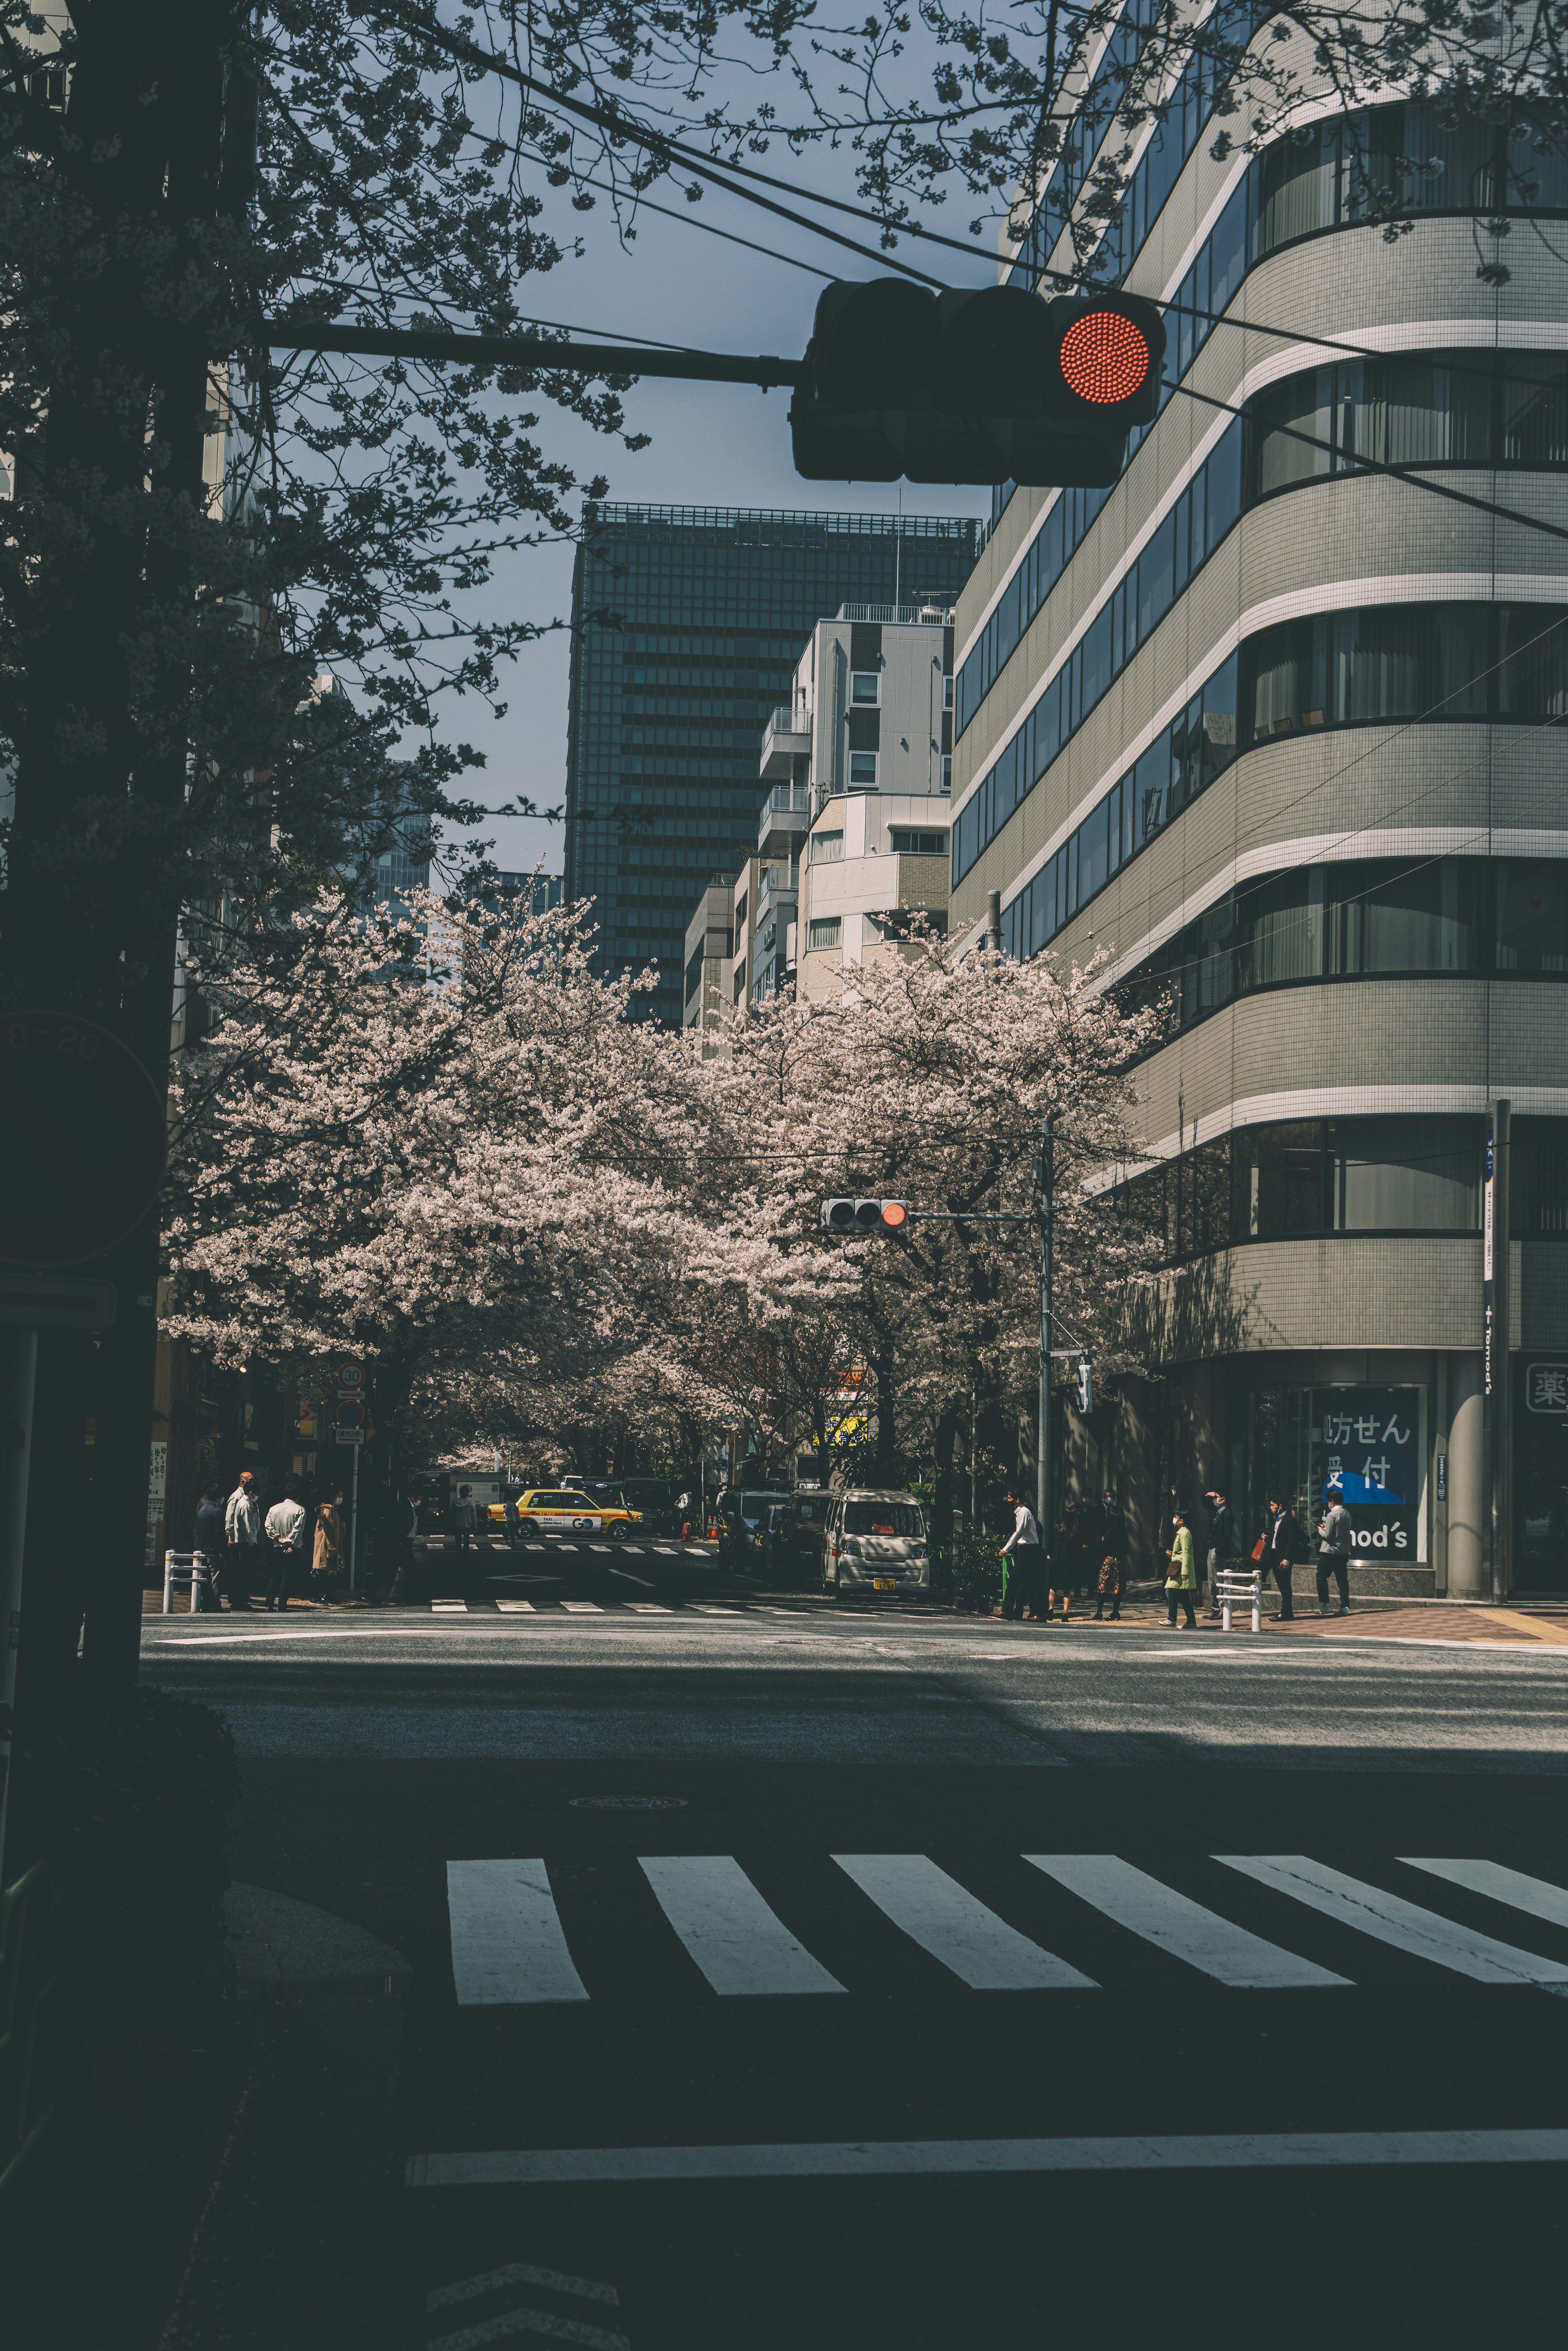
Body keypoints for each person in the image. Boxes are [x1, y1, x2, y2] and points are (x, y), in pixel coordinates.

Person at [1257, 1493, 1304, 1620]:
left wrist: (1287, 1559)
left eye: (1273, 1505)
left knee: (1285, 1585)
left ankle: (1287, 1613)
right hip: (1276, 1556)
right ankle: (1286, 1612)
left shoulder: (1289, 1520)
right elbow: (1280, 1536)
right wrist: (1269, 1536)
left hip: (1283, 1558)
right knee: (1281, 1585)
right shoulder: (1278, 1519)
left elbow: (1291, 1541)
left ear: (1281, 1506)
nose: (1271, 1507)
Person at [264, 1480, 308, 1611]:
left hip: (277, 1546)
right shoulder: (300, 1510)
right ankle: (281, 1605)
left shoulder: (274, 1509)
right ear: (298, 1496)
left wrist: (278, 1538)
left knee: (275, 1576)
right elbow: (298, 1528)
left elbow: (268, 1525)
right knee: (288, 1577)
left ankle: (269, 1604)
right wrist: (290, 1542)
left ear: (284, 1495)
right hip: (294, 1547)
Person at [998, 1490, 1041, 1620]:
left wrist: (1006, 1549)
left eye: (1010, 1498)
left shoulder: (1023, 1512)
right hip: (1026, 1550)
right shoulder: (1020, 1513)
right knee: (1026, 1583)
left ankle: (1008, 1611)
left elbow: (1019, 1533)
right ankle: (1035, 1613)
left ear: (1017, 1500)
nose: (1007, 1500)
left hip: (1029, 1551)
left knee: (1014, 1580)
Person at [223, 1470, 261, 1611]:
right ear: (243, 1482)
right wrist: (231, 1536)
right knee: (238, 1571)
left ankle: (242, 1596)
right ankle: (236, 1597)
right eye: (250, 1481)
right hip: (240, 1540)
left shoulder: (248, 1497)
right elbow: (231, 1518)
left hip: (248, 1540)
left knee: (244, 1571)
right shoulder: (238, 1497)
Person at [1316, 1481, 1354, 1617]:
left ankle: (1326, 1605)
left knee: (1321, 1576)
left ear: (1332, 1501)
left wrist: (1321, 1530)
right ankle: (1344, 1607)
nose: (1329, 1503)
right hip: (1343, 1551)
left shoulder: (1332, 1515)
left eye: (1329, 1501)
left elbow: (1328, 1536)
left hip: (1330, 1552)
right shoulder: (1347, 1514)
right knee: (1342, 1580)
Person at [1091, 1488, 1125, 1622]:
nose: (1109, 1499)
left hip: (1109, 1558)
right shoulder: (1097, 1511)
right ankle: (1113, 1611)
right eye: (1107, 1496)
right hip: (1109, 1557)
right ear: (1103, 1498)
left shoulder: (1118, 1515)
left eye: (1112, 1497)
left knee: (1103, 1586)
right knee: (1115, 1586)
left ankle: (1102, 1611)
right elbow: (1093, 1529)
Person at [1204, 1487, 1238, 1618]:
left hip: (1218, 1550)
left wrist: (1219, 1550)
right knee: (1211, 1580)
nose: (1214, 1500)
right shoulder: (1217, 1512)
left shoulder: (1227, 1514)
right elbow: (1205, 1503)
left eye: (1216, 1497)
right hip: (1211, 1547)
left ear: (1223, 1500)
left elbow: (1227, 1535)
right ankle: (1215, 1609)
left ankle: (1223, 1610)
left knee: (1219, 1579)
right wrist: (1207, 1495)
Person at [1165, 1506, 1198, 1628]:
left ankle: (1172, 1619)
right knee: (1183, 1596)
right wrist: (1172, 1555)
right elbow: (1181, 1553)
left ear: (1182, 1521)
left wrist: (1185, 1572)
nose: (1175, 1519)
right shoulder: (1182, 1532)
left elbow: (1186, 1553)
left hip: (1180, 1570)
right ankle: (1191, 1621)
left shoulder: (1184, 1533)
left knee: (1170, 1592)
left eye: (1177, 1517)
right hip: (1179, 1567)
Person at [193, 1489, 224, 1611]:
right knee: (216, 1579)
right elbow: (219, 1534)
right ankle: (215, 1605)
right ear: (218, 1498)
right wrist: (221, 1550)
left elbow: (199, 1531)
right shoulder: (218, 1512)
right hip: (214, 1550)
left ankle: (205, 1603)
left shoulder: (203, 1510)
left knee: (205, 1579)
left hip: (203, 1549)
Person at [313, 1492, 344, 1596]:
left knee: (331, 1572)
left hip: (332, 1545)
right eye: (339, 1495)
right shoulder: (327, 1511)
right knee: (323, 1571)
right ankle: (316, 1596)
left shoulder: (333, 1511)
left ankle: (328, 1595)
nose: (341, 1497)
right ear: (332, 1496)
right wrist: (331, 1548)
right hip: (326, 1546)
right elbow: (327, 1530)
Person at [450, 1482, 478, 1555]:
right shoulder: (470, 1503)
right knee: (466, 1543)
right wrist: (475, 1528)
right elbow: (474, 1517)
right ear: (467, 1494)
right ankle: (466, 1558)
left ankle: (459, 1557)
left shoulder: (454, 1503)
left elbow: (452, 1515)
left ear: (460, 1493)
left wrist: (451, 1525)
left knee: (458, 1543)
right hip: (467, 1526)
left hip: (457, 1526)